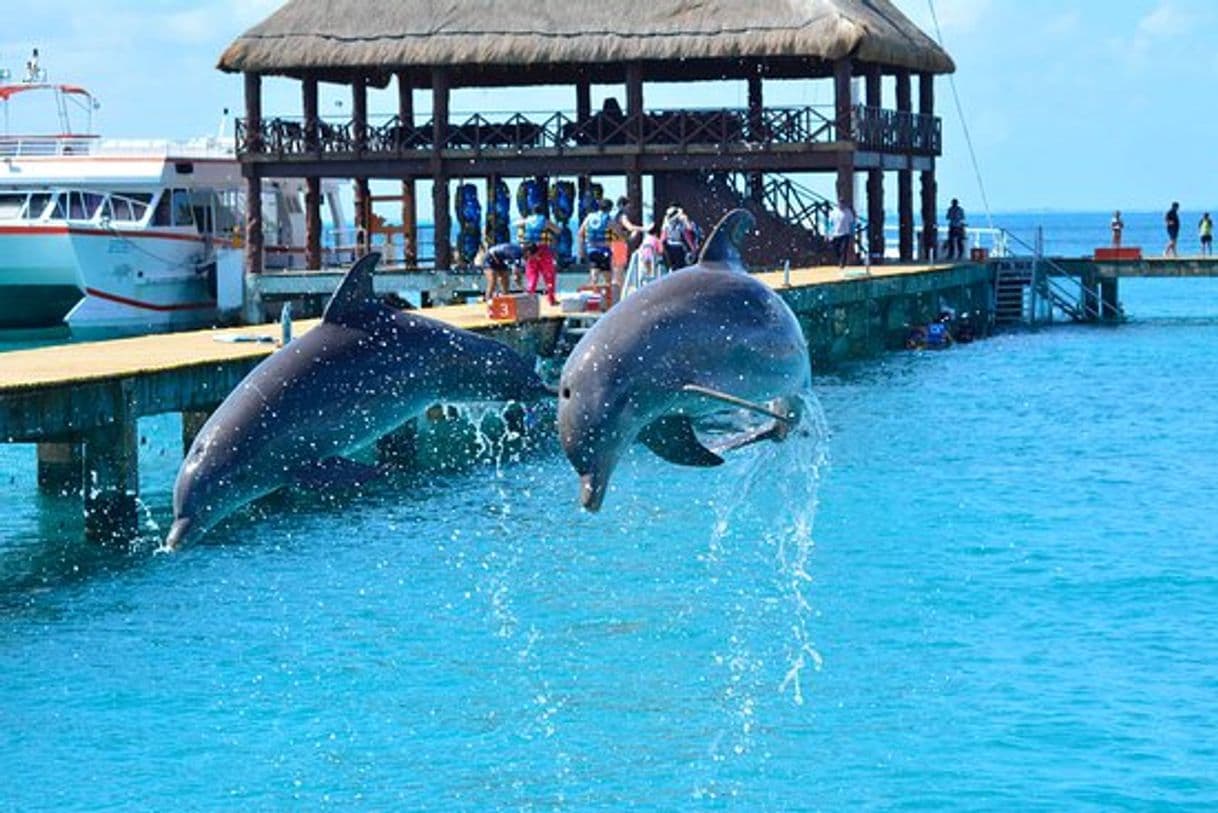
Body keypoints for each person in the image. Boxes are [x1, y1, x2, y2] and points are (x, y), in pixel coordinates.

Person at [516, 204, 561, 305]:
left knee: (532, 276)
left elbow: (516, 224)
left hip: (530, 250)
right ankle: (551, 299)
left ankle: (528, 299)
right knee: (549, 276)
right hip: (543, 249)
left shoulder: (526, 221)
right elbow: (557, 230)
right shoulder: (544, 221)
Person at [578, 198, 622, 286]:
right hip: (604, 250)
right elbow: (618, 233)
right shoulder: (608, 219)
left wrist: (581, 250)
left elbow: (580, 233)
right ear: (609, 209)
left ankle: (593, 292)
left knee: (594, 271)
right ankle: (608, 296)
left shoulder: (589, 217)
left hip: (591, 249)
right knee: (607, 275)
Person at [661, 204, 698, 271]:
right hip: (675, 246)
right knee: (677, 266)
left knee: (678, 266)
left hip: (677, 245)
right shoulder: (668, 223)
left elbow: (689, 231)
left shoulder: (678, 222)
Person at [829, 199, 855, 268]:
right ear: (838, 203)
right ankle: (839, 260)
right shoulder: (833, 212)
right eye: (840, 203)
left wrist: (852, 232)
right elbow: (830, 224)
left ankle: (842, 263)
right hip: (836, 234)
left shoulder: (848, 212)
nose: (841, 205)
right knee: (836, 249)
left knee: (844, 249)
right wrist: (829, 233)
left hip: (845, 233)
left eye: (843, 203)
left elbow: (851, 223)